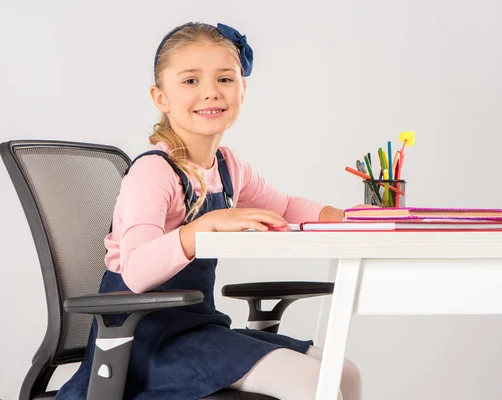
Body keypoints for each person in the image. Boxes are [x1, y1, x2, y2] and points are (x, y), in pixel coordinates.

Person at [55, 22, 362, 400]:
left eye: (224, 79)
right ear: (160, 96)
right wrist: (205, 226)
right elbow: (135, 272)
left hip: (199, 332)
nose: (210, 92)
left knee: (344, 373)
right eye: (190, 81)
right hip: (144, 346)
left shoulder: (228, 167)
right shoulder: (153, 172)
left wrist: (346, 218)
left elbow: (284, 207)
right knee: (314, 384)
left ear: (243, 90)